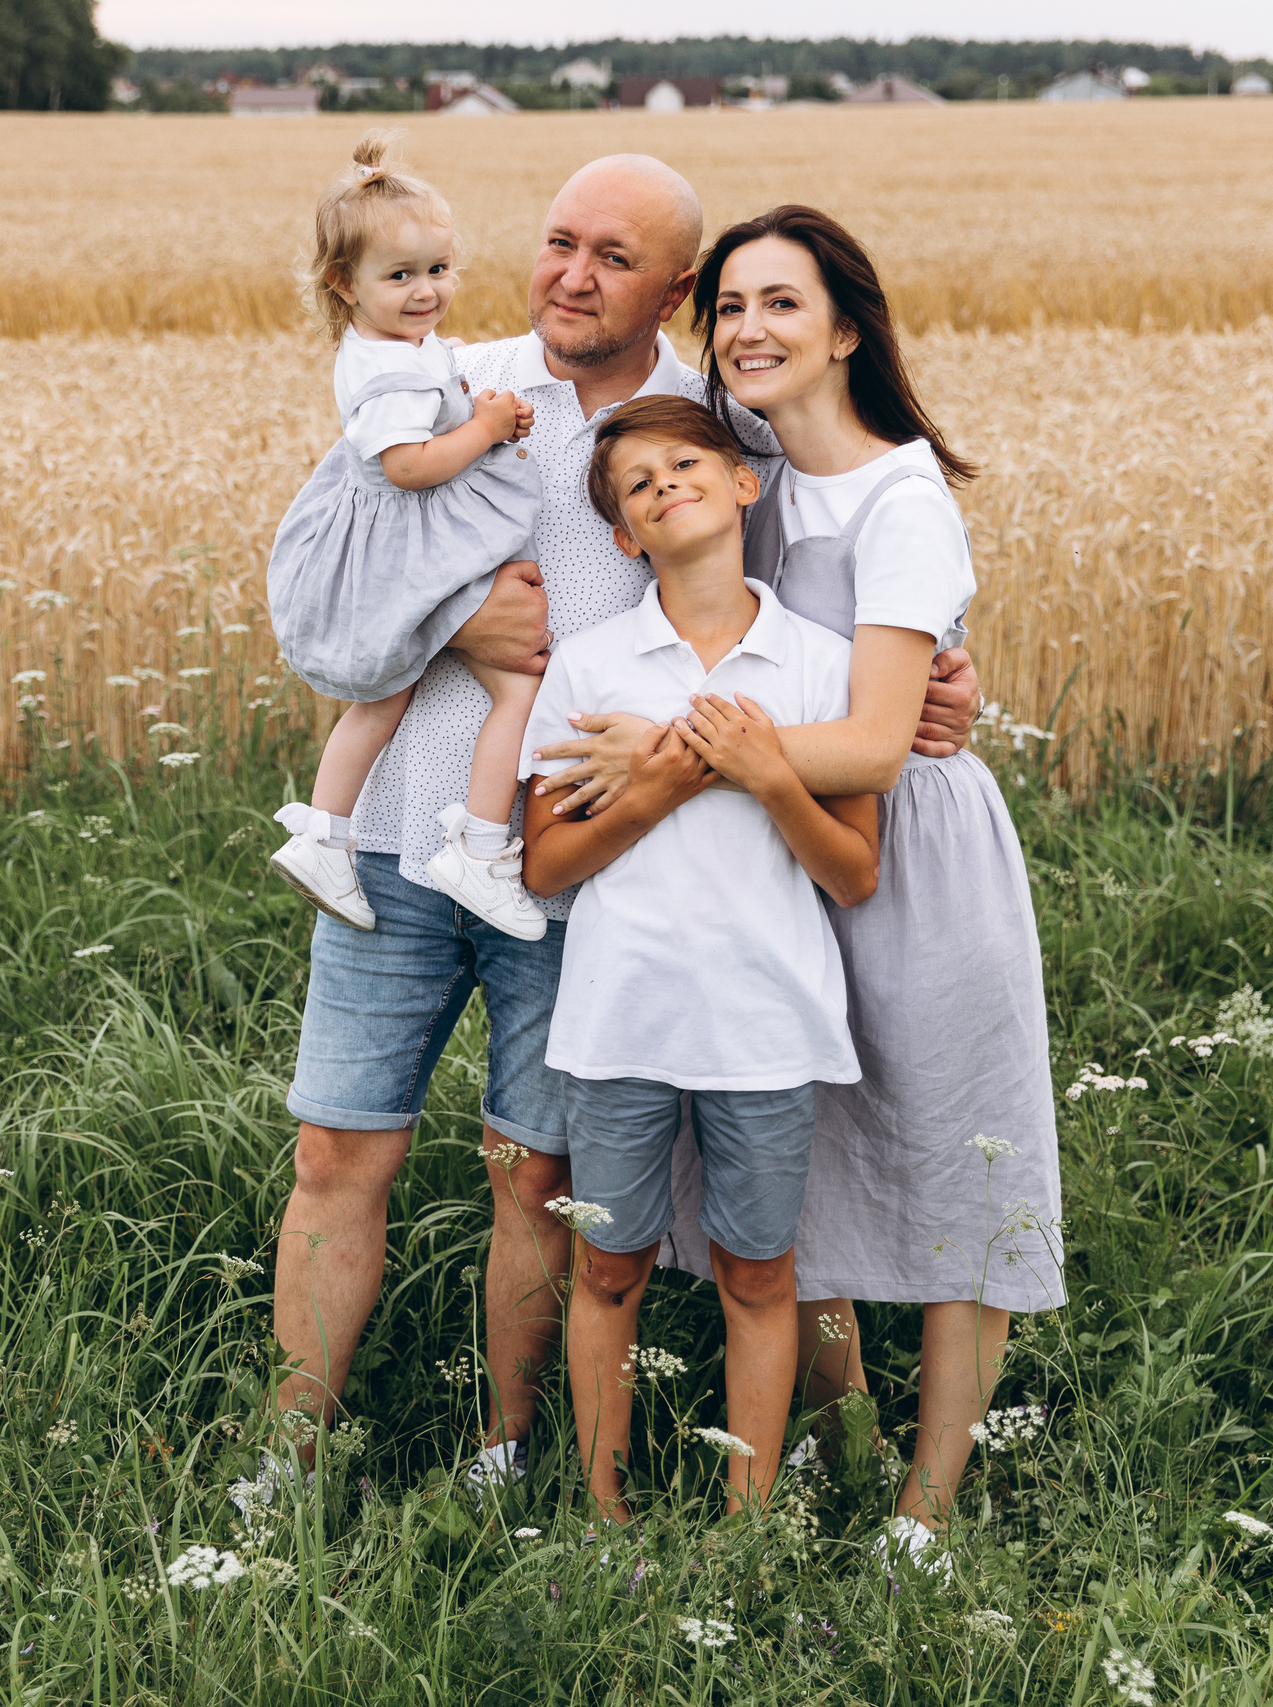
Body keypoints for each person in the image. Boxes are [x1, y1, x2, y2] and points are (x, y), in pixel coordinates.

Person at [261, 150, 982, 1507]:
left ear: (673, 291)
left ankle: (506, 1448)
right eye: (556, 241)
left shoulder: (719, 434)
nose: (569, 277)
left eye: (611, 258)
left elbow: (831, 610)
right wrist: (447, 621)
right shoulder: (439, 384)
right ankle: (285, 1456)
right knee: (336, 1152)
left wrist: (945, 677)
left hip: (585, 871)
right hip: (404, 846)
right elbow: (309, 603)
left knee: (535, 1177)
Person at [541, 205, 1063, 1569]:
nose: (750, 331)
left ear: (847, 329)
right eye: (729, 309)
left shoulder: (901, 497)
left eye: (783, 304)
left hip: (912, 857)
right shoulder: (742, 465)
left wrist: (661, 756)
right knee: (807, 1166)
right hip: (769, 865)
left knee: (951, 1160)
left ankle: (923, 1509)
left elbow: (882, 740)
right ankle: (838, 1435)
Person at [521, 395, 877, 1518]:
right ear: (625, 538)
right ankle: (603, 1508)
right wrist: (669, 780)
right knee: (608, 1267)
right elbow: (545, 866)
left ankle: (748, 1519)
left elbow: (853, 872)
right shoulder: (590, 665)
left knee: (759, 1274)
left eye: (689, 461)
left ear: (742, 485)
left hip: (767, 1020)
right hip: (620, 1016)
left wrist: (769, 773)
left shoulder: (821, 668)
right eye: (637, 484)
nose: (666, 482)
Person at [266, 131, 548, 941]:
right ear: (342, 284)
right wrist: (488, 424)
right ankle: (483, 846)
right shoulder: (387, 371)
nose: (427, 292)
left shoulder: (394, 347)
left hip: (400, 542)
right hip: (410, 543)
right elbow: (409, 467)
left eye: (437, 269)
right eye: (400, 276)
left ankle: (324, 836)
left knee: (381, 697)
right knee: (515, 687)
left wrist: (486, 418)